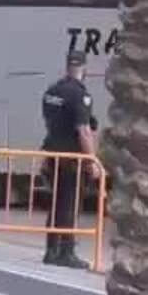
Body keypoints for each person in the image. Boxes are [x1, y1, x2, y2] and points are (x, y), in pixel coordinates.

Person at [39, 50, 99, 269]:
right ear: (85, 68)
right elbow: (83, 131)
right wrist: (92, 162)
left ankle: (51, 249)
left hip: (53, 153)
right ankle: (66, 251)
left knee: (56, 203)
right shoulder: (79, 95)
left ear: (66, 66)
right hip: (72, 158)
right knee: (69, 204)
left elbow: (50, 123)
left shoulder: (52, 91)